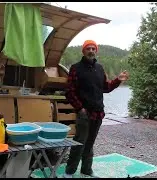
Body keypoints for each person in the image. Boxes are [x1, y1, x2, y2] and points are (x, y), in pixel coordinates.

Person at [63, 40, 129, 178]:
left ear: (96, 51)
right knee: (79, 142)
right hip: (84, 113)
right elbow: (69, 91)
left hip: (98, 113)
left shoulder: (100, 68)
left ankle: (86, 170)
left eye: (93, 48)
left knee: (90, 143)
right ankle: (69, 172)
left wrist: (118, 80)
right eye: (88, 48)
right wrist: (80, 108)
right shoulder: (76, 68)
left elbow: (106, 87)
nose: (91, 51)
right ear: (83, 51)